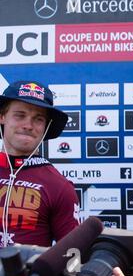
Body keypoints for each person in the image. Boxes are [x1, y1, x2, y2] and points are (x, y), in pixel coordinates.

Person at [0, 81, 80, 248]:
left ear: (46, 126)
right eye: (20, 115)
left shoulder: (59, 187)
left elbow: (73, 256)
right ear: (2, 116)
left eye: (38, 119)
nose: (28, 125)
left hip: (27, 275)